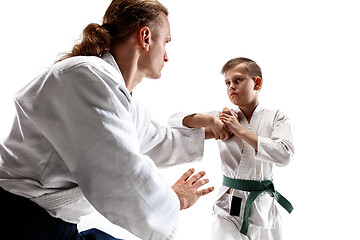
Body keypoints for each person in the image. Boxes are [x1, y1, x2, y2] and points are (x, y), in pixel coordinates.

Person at [0, 0, 218, 239]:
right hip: (21, 219)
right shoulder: (85, 78)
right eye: (165, 42)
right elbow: (120, 173)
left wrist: (211, 130)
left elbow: (155, 139)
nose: (167, 56)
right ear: (145, 37)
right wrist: (174, 199)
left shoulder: (110, 89)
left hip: (49, 223)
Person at [170, 57, 295, 239]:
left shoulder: (276, 118)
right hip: (229, 206)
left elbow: (285, 155)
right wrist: (211, 121)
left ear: (257, 83)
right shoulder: (223, 118)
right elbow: (173, 121)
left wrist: (241, 131)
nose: (231, 87)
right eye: (227, 82)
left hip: (264, 209)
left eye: (238, 80)